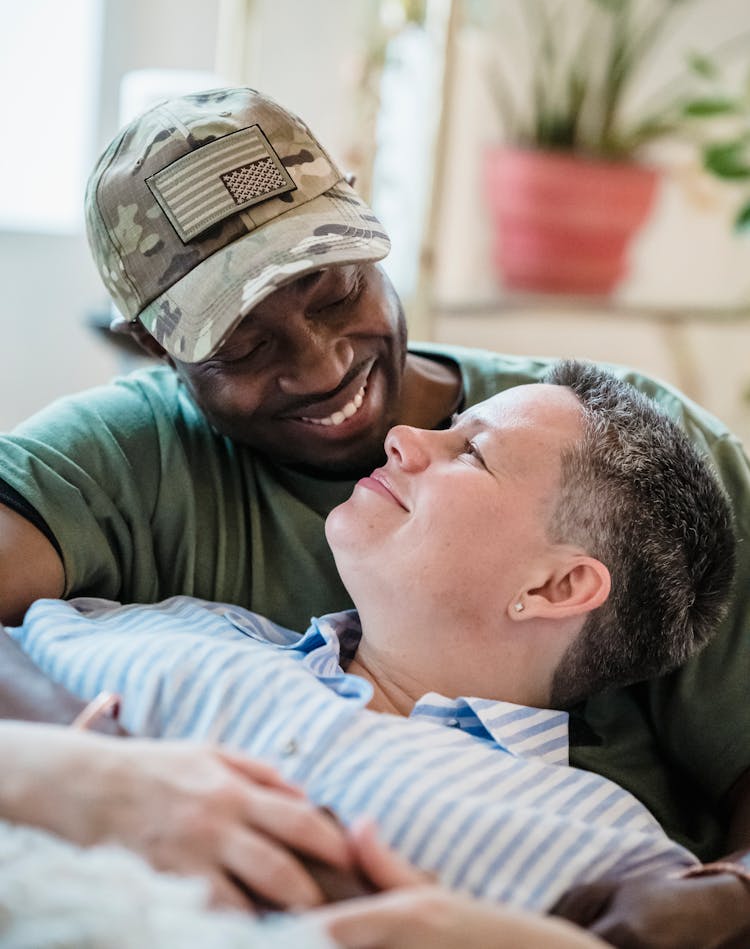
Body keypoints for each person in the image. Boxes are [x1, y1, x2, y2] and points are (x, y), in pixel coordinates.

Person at [1, 87, 750, 944]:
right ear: (154, 346)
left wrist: (724, 897)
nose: (321, 363)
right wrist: (84, 774)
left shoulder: (619, 449)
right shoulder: (136, 499)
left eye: (336, 290)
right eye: (245, 344)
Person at [6, 363, 737, 937]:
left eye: (472, 452)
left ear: (556, 585)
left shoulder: (608, 851)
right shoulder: (172, 632)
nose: (404, 436)